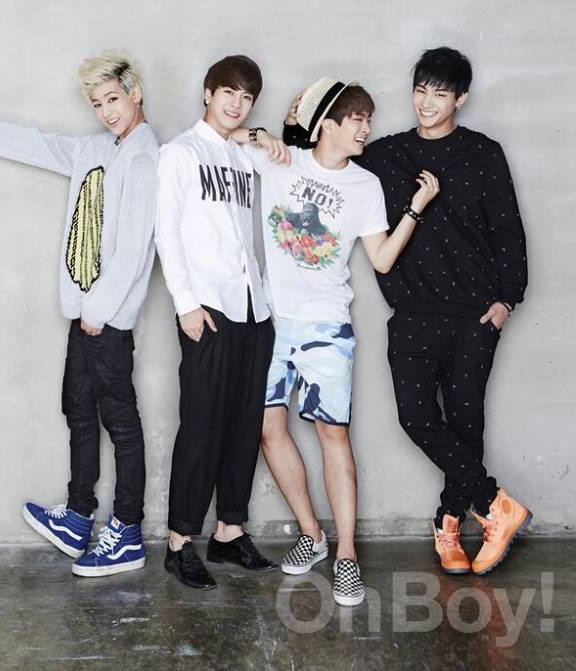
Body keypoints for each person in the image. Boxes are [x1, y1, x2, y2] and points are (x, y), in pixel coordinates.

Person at [282, 47, 531, 576]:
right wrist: (291, 127)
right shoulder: (385, 155)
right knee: (417, 419)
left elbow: (507, 229)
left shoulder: (483, 153)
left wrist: (508, 298)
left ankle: (449, 524)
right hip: (413, 312)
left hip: (473, 315)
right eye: (420, 90)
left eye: (440, 93)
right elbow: (325, 160)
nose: (427, 102)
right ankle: (496, 505)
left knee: (465, 423)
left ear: (461, 98)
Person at [0, 50, 158, 577]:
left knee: (120, 423)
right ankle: (78, 516)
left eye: (113, 99)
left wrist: (99, 311)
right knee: (78, 409)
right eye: (97, 103)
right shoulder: (96, 149)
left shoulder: (145, 159)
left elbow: (133, 250)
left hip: (106, 319)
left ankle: (126, 532)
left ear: (136, 94)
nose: (106, 111)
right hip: (84, 314)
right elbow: (31, 143)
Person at [242, 78, 438, 606]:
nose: (366, 129)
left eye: (369, 119)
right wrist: (267, 134)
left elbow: (382, 260)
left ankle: (347, 556)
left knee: (333, 434)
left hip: (326, 326)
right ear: (327, 124)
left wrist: (415, 208)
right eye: (357, 119)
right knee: (267, 429)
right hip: (271, 321)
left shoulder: (365, 185)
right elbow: (230, 136)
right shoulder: (283, 161)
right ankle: (312, 535)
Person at [154, 55, 287, 589]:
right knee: (202, 427)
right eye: (228, 92)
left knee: (243, 426)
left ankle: (230, 532)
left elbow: (277, 160)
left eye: (247, 97)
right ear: (208, 92)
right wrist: (185, 303)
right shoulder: (180, 153)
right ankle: (179, 543)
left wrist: (263, 135)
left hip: (254, 308)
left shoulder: (240, 154)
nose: (237, 103)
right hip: (207, 308)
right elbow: (167, 231)